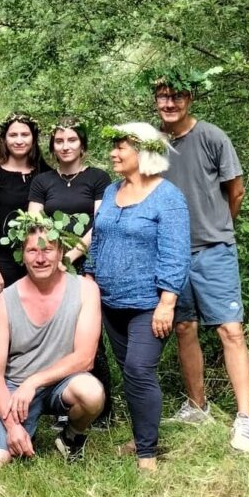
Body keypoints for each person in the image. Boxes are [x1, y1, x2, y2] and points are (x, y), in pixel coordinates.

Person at [152, 70, 249, 452]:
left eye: (176, 96)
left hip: (213, 250)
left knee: (230, 330)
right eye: (162, 96)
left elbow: (236, 190)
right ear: (155, 101)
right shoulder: (153, 144)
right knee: (184, 329)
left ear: (190, 99)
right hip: (171, 255)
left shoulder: (212, 136)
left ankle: (246, 418)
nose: (169, 103)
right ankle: (198, 406)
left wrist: (219, 229)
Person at [87, 124, 191, 472]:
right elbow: (98, 241)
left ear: (143, 153)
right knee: (128, 372)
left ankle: (147, 453)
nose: (114, 153)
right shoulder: (113, 191)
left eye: (121, 148)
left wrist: (167, 301)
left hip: (149, 304)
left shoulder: (167, 196)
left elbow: (176, 253)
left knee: (138, 369)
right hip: (110, 302)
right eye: (114, 147)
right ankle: (140, 436)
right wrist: (89, 280)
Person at [0, 218, 105, 468]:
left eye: (47, 249)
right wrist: (13, 426)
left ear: (60, 251)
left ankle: (70, 437)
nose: (40, 258)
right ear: (22, 255)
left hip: (62, 383)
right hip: (16, 387)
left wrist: (34, 381)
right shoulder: (5, 301)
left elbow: (85, 357)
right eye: (32, 250)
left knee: (92, 393)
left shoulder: (85, 289)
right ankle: (23, 430)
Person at [28, 118, 114, 425]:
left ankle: (103, 410)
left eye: (72, 140)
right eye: (60, 141)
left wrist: (72, 255)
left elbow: (100, 222)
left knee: (90, 336)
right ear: (52, 147)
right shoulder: (42, 181)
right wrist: (51, 259)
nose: (65, 146)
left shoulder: (98, 178)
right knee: (57, 333)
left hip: (86, 264)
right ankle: (61, 404)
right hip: (49, 265)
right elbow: (35, 225)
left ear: (83, 145)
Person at [0, 113, 49, 303]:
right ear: (4, 139)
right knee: (6, 322)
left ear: (33, 138)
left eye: (25, 135)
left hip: (37, 260)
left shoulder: (45, 173)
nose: (19, 140)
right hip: (1, 262)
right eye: (13, 135)